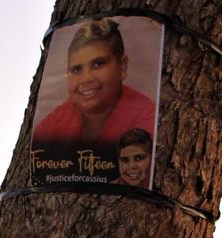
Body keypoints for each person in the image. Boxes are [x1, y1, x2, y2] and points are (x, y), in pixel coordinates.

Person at [32, 18, 156, 152]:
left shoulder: (146, 116)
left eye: (98, 64)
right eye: (76, 70)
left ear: (122, 66)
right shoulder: (52, 125)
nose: (86, 79)